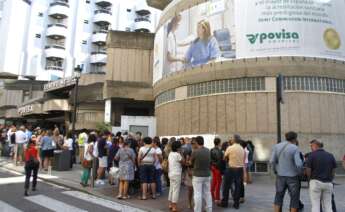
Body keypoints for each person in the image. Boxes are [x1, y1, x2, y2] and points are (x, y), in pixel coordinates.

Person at [270, 131, 303, 212]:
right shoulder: (294, 148)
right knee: (294, 197)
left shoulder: (277, 146)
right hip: (293, 177)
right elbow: (299, 164)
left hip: (280, 176)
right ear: (295, 138)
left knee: (278, 195)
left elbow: (272, 161)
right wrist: (300, 173)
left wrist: (275, 170)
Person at [306, 140, 337, 212]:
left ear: (315, 145)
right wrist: (331, 178)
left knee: (315, 205)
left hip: (315, 181)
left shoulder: (311, 155)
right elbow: (334, 170)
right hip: (328, 183)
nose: (311, 148)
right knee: (328, 205)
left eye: (311, 146)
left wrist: (310, 179)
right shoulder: (330, 155)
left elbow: (308, 170)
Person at [220, 136, 245, 209]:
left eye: (231, 138)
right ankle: (236, 204)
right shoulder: (241, 148)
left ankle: (225, 203)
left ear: (234, 140)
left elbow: (224, 158)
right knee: (238, 187)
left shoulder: (230, 148)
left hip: (231, 168)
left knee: (226, 186)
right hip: (240, 169)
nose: (230, 139)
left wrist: (228, 158)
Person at [191, 136, 212, 212]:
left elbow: (190, 163)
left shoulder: (195, 152)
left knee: (197, 194)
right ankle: (209, 209)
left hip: (197, 175)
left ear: (197, 142)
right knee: (207, 193)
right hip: (207, 174)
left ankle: (197, 210)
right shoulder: (208, 150)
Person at [167, 140, 184, 212]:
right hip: (176, 174)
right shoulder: (178, 155)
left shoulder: (170, 153)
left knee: (171, 189)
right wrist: (181, 153)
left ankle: (170, 204)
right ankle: (174, 207)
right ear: (178, 148)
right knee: (176, 190)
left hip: (171, 173)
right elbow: (183, 162)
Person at [210, 137, 223, 204]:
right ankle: (217, 198)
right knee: (218, 183)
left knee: (214, 181)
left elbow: (210, 160)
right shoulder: (219, 151)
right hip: (217, 168)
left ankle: (212, 195)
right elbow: (219, 161)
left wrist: (212, 166)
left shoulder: (211, 149)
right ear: (219, 143)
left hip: (213, 167)